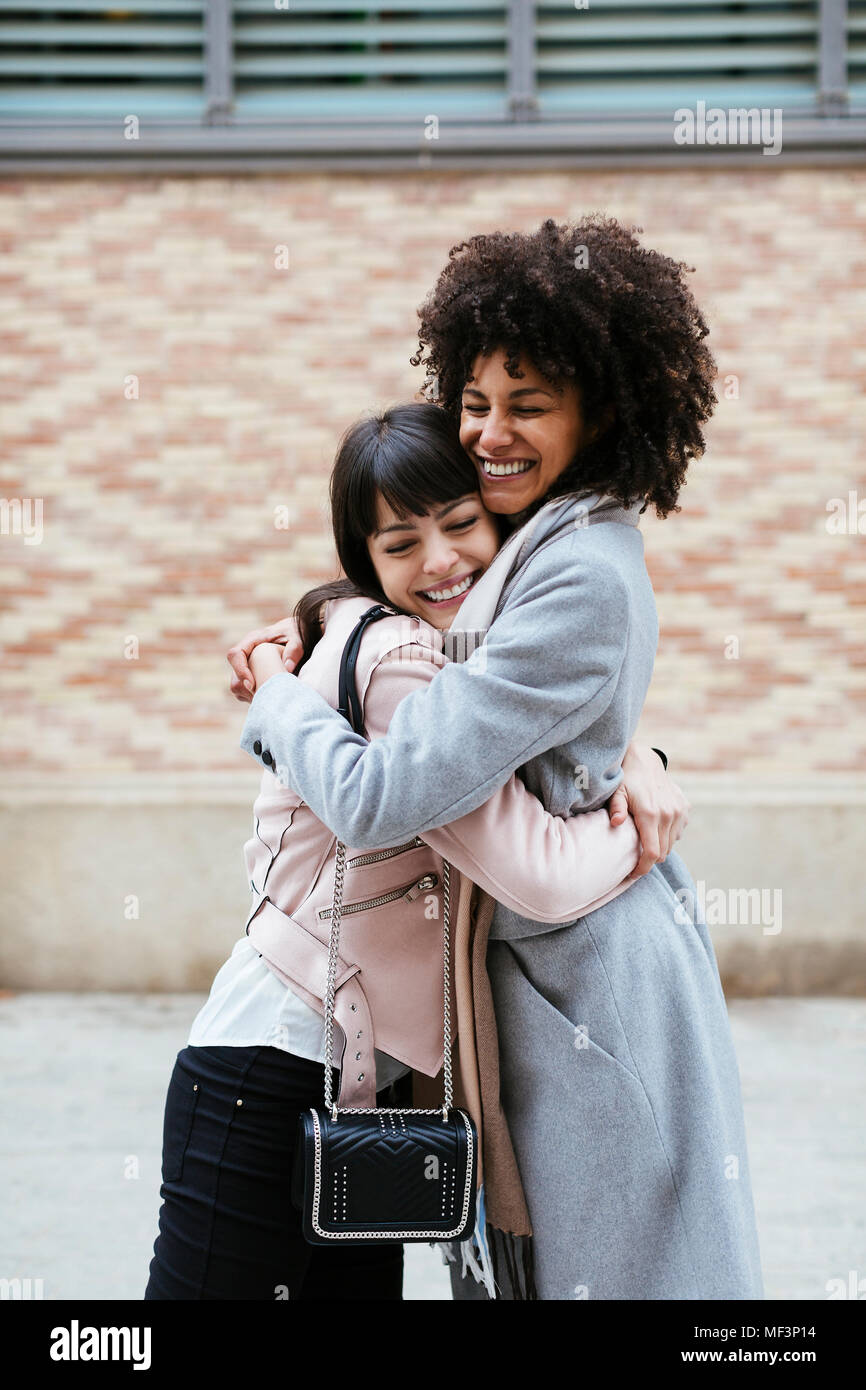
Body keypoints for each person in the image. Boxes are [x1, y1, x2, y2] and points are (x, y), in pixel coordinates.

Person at [228, 216, 765, 1300]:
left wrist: (278, 701)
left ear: (598, 413)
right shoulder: (535, 541)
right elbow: (459, 653)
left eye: (527, 405)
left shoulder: (576, 570)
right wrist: (637, 755)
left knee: (622, 1275)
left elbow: (393, 789)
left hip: (590, 980)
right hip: (537, 972)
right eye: (474, 403)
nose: (489, 433)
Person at [144, 401, 673, 1301]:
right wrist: (641, 831)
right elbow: (537, 874)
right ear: (367, 562)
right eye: (400, 544)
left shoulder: (443, 656)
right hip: (268, 1071)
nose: (439, 561)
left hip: (357, 1082)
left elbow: (526, 720)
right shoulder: (399, 669)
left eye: (461, 524)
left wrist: (638, 754)